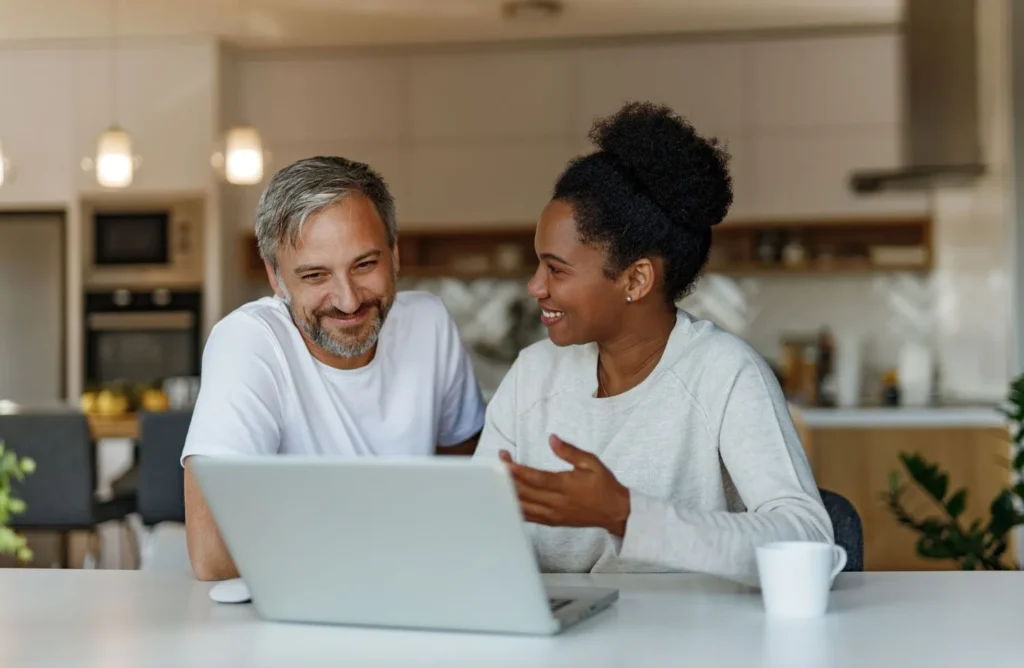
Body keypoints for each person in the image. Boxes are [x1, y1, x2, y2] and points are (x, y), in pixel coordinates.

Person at [473, 102, 833, 586]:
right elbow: (477, 531)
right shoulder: (533, 374)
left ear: (636, 278)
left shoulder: (724, 374)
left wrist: (627, 515)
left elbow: (807, 539)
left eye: (555, 269)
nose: (534, 286)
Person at [182, 156, 486, 581]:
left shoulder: (429, 323)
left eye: (365, 265)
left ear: (394, 255)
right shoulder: (248, 342)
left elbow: (468, 490)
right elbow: (213, 554)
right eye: (314, 276)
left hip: (414, 595)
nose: (347, 300)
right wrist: (407, 536)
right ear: (275, 277)